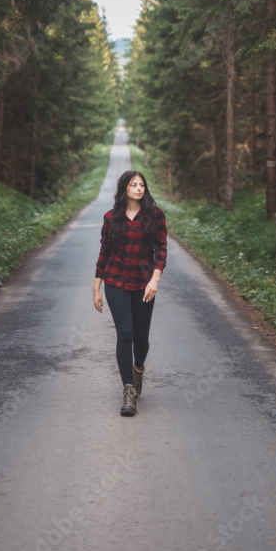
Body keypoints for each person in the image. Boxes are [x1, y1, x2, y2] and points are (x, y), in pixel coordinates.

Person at [93, 170, 167, 416]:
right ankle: (128, 391)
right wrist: (97, 286)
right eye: (134, 184)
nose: (138, 188)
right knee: (125, 332)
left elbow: (161, 248)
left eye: (142, 184)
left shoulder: (155, 215)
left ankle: (138, 368)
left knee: (141, 338)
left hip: (144, 282)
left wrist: (155, 278)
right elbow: (104, 251)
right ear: (124, 188)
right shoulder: (111, 217)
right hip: (116, 280)